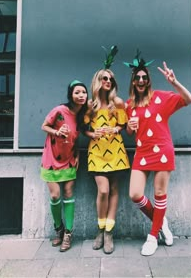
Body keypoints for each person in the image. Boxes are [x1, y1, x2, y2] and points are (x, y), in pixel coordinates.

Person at [124, 52, 191, 256]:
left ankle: (153, 237)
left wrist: (174, 82)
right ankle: (160, 220)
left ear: (148, 81)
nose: (141, 80)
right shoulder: (129, 105)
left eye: (144, 77)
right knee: (135, 194)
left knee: (159, 193)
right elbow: (130, 131)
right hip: (142, 152)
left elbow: (189, 99)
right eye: (137, 78)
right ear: (133, 81)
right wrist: (129, 126)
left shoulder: (161, 98)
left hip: (162, 150)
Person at [84, 46, 130, 254]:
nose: (108, 82)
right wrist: (91, 134)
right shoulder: (90, 104)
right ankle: (100, 228)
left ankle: (109, 231)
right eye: (104, 78)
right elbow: (83, 127)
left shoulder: (117, 102)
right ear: (97, 81)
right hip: (96, 150)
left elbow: (124, 126)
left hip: (115, 150)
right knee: (102, 190)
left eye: (110, 79)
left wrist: (115, 127)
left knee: (114, 190)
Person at [40, 80, 88, 252]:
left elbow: (77, 138)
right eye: (77, 92)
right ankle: (58, 229)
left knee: (68, 193)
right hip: (51, 158)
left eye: (83, 92)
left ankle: (68, 233)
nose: (81, 95)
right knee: (55, 196)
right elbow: (44, 126)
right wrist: (57, 132)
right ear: (71, 95)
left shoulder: (82, 115)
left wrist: (78, 155)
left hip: (69, 159)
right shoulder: (59, 110)